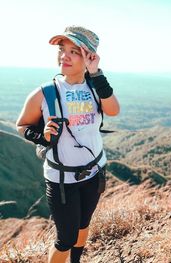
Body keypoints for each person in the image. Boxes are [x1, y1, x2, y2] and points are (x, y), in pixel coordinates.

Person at [16, 26, 120, 263]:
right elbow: (22, 125)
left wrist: (97, 74)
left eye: (74, 51)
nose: (65, 55)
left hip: (95, 172)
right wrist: (41, 137)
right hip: (62, 179)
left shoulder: (96, 88)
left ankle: (76, 261)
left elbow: (113, 110)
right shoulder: (45, 93)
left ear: (89, 57)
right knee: (65, 237)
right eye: (63, 50)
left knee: (84, 226)